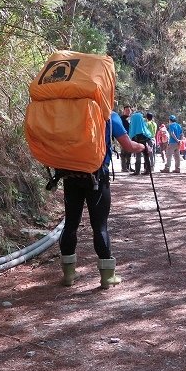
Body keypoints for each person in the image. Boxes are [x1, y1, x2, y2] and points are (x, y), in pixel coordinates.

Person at [60, 110, 146, 290]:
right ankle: (107, 277)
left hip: (70, 175)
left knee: (71, 223)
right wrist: (143, 147)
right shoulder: (108, 115)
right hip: (97, 177)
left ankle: (68, 275)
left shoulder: (66, 111)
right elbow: (128, 146)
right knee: (99, 225)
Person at [128, 109, 154, 175]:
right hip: (145, 142)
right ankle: (148, 170)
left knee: (138, 156)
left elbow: (130, 135)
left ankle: (137, 171)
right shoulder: (144, 126)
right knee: (146, 156)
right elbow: (149, 135)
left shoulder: (133, 128)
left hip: (137, 141)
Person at [119, 105, 132, 172]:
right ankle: (123, 167)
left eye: (129, 110)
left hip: (130, 136)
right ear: (124, 111)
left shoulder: (132, 118)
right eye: (126, 110)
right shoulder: (121, 118)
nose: (128, 111)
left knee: (129, 152)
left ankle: (128, 166)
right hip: (123, 136)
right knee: (123, 152)